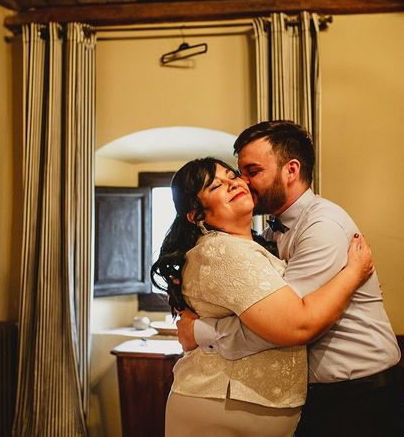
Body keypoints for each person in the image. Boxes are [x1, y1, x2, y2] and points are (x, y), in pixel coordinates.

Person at [176, 120, 404, 436]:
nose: (242, 181)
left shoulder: (322, 226)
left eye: (251, 171)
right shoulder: (265, 234)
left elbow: (287, 324)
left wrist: (201, 333)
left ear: (291, 170)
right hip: (322, 396)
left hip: (358, 396)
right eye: (238, 172)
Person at [151, 157, 375, 437]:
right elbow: (296, 324)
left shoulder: (254, 245)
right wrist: (354, 273)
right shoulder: (224, 252)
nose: (233, 184)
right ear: (197, 215)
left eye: (233, 177)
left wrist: (199, 331)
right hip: (223, 404)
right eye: (216, 186)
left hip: (245, 406)